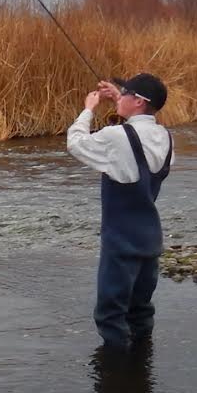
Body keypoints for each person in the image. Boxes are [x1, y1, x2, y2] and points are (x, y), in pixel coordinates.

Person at [67, 73, 173, 350]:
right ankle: (141, 369)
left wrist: (87, 110)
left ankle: (115, 380)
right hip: (150, 240)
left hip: (120, 241)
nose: (120, 94)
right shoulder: (165, 137)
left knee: (110, 315)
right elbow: (138, 137)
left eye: (125, 92)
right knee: (140, 311)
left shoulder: (116, 136)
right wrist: (119, 99)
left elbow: (76, 144)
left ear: (138, 101)